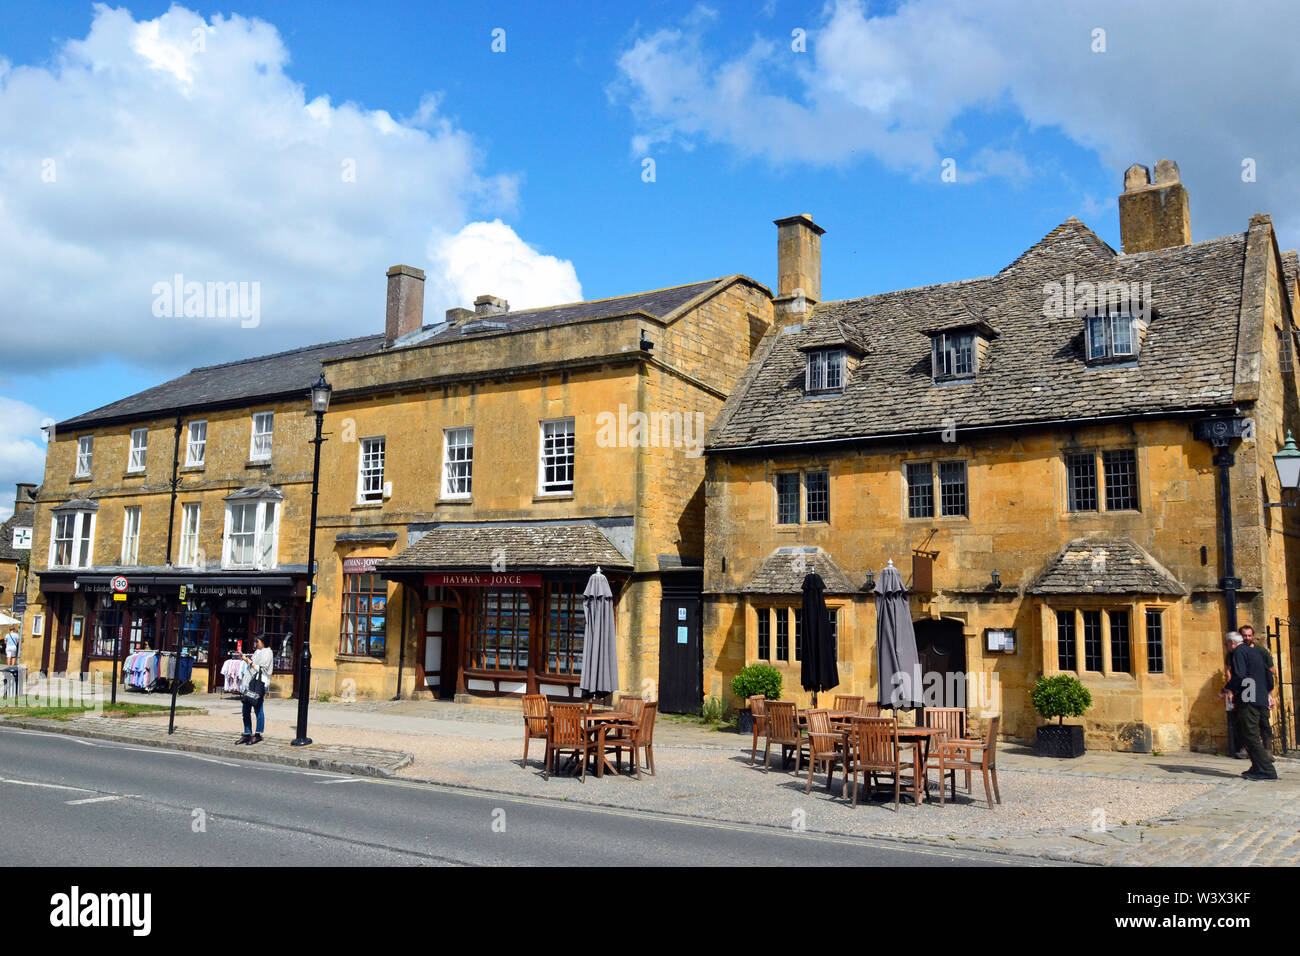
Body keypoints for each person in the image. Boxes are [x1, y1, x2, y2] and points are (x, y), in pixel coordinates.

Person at [1224, 630, 1277, 780]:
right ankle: (1257, 767)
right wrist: (1266, 694)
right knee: (1247, 734)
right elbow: (1267, 675)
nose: (1227, 647)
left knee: (1251, 735)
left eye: (1227, 644)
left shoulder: (1239, 653)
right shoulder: (1254, 652)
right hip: (1258, 697)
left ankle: (1267, 770)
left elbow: (1239, 675)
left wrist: (1227, 688)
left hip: (1249, 698)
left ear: (1231, 642)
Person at [1239, 624, 1278, 749]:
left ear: (1253, 636)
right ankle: (1247, 749)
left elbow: (1272, 670)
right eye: (1244, 635)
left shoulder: (1261, 651)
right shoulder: (1237, 652)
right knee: (1246, 722)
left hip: (1260, 690)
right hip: (1244, 691)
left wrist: (1268, 691)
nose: (1247, 638)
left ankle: (1267, 750)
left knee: (1264, 721)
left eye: (1249, 635)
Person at [236, 635, 273, 746]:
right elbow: (254, 665)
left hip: (260, 684)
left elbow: (261, 669)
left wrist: (248, 661)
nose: (256, 643)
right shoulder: (257, 651)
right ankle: (247, 733)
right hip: (250, 683)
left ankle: (257, 734)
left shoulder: (268, 653)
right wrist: (247, 659)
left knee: (258, 709)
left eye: (258, 641)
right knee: (245, 708)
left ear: (263, 641)